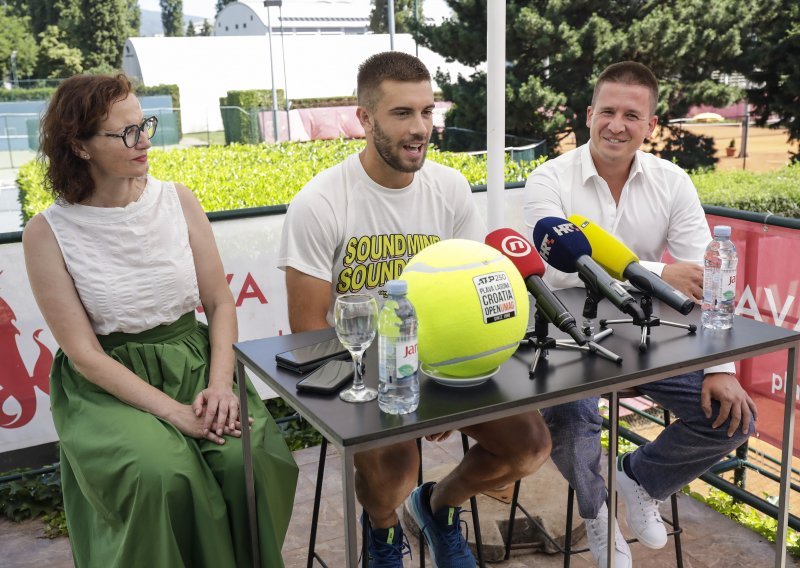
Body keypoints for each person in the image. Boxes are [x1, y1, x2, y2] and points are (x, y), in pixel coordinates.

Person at [278, 51, 552, 567]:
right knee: (396, 473)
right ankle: (382, 529)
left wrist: (447, 382)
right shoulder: (320, 202)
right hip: (369, 377)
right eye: (402, 113)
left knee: (530, 446)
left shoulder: (448, 188)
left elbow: (477, 292)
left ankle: (437, 506)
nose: (420, 128)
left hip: (444, 368)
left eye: (427, 112)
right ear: (364, 118)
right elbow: (308, 332)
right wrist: (401, 391)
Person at [23, 74, 298, 568]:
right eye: (126, 132)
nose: (145, 139)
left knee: (247, 461)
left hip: (192, 360)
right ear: (80, 146)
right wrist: (174, 413)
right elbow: (83, 354)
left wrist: (220, 387)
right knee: (162, 474)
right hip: (107, 382)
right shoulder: (47, 232)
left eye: (145, 124)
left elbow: (219, 303)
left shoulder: (177, 199)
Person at [524, 61, 757, 568]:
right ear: (588, 115)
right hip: (572, 337)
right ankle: (598, 511)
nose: (616, 124)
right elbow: (553, 269)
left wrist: (721, 368)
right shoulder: (549, 179)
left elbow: (704, 278)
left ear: (650, 124)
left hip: (647, 339)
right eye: (607, 111)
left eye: (632, 115)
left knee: (732, 420)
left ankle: (639, 478)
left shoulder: (671, 181)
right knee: (569, 418)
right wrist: (654, 271)